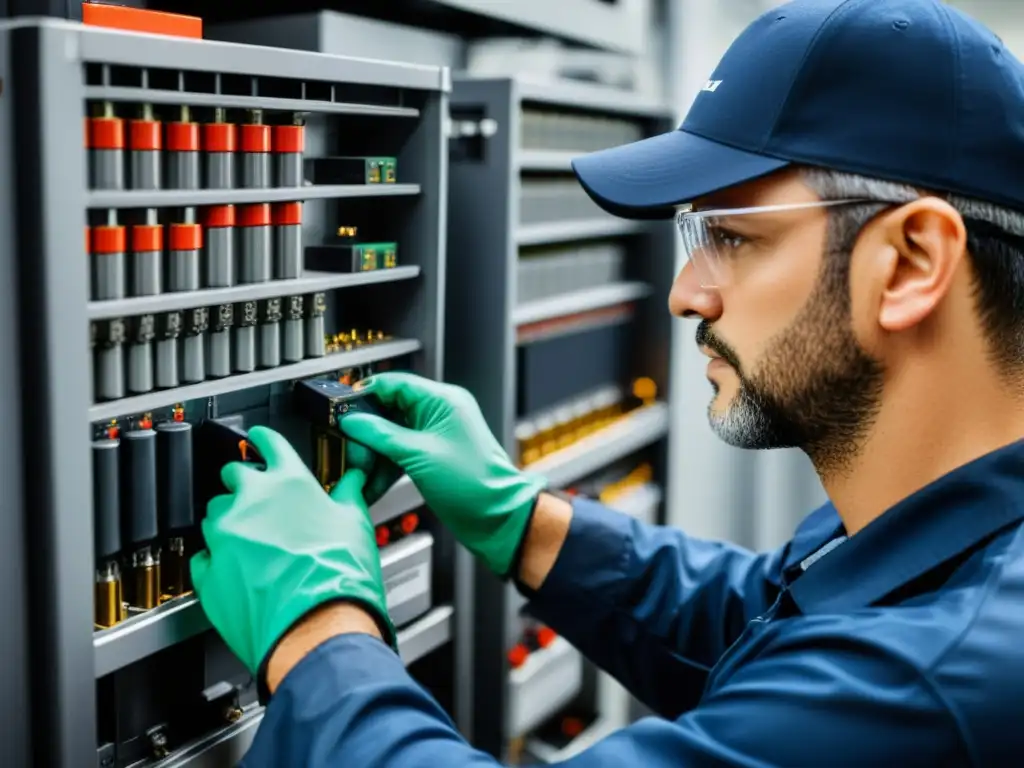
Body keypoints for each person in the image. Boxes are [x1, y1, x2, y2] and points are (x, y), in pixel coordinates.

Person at [191, 0, 1024, 764]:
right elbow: (761, 625)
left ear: (911, 263)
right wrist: (520, 519)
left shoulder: (934, 680)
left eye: (730, 236)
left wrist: (315, 629)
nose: (685, 293)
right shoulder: (942, 552)